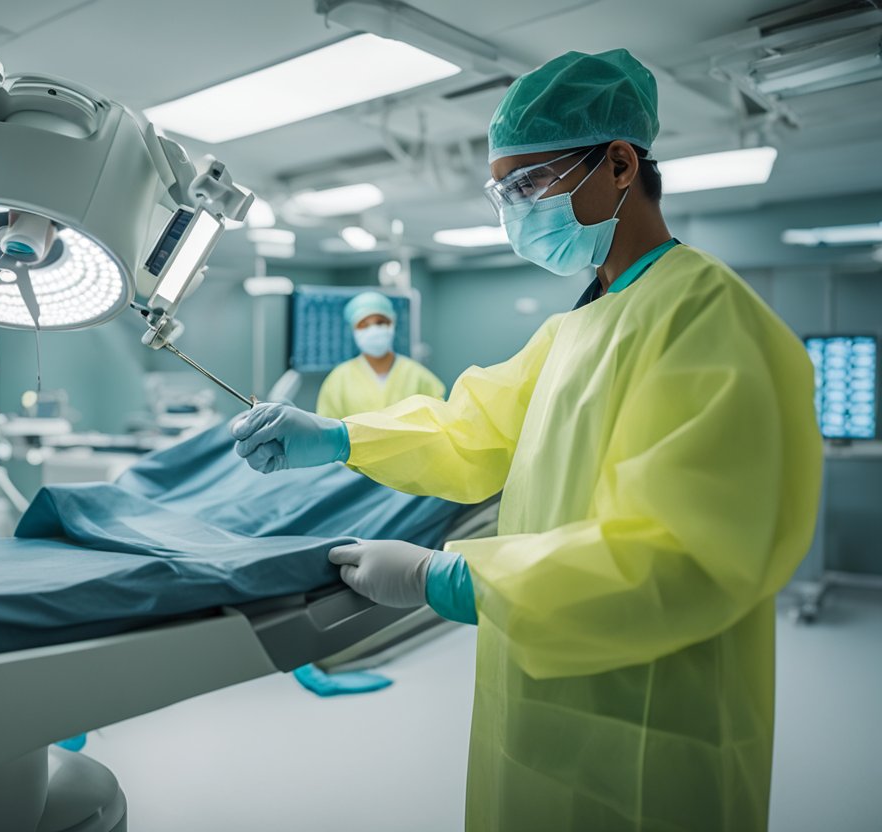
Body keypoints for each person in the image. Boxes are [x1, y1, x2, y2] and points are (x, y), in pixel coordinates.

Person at [232, 49, 821, 832]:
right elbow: (472, 428)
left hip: (656, 714)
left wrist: (454, 582)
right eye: (501, 191)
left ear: (619, 164)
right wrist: (339, 436)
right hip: (539, 694)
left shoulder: (709, 319)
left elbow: (685, 554)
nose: (514, 209)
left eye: (530, 183)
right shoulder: (579, 325)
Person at [315, 291, 445, 419]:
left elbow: (442, 421)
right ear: (354, 331)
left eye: (380, 322)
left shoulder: (419, 376)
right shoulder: (338, 380)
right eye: (364, 325)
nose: (373, 330)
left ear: (392, 324)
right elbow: (328, 431)